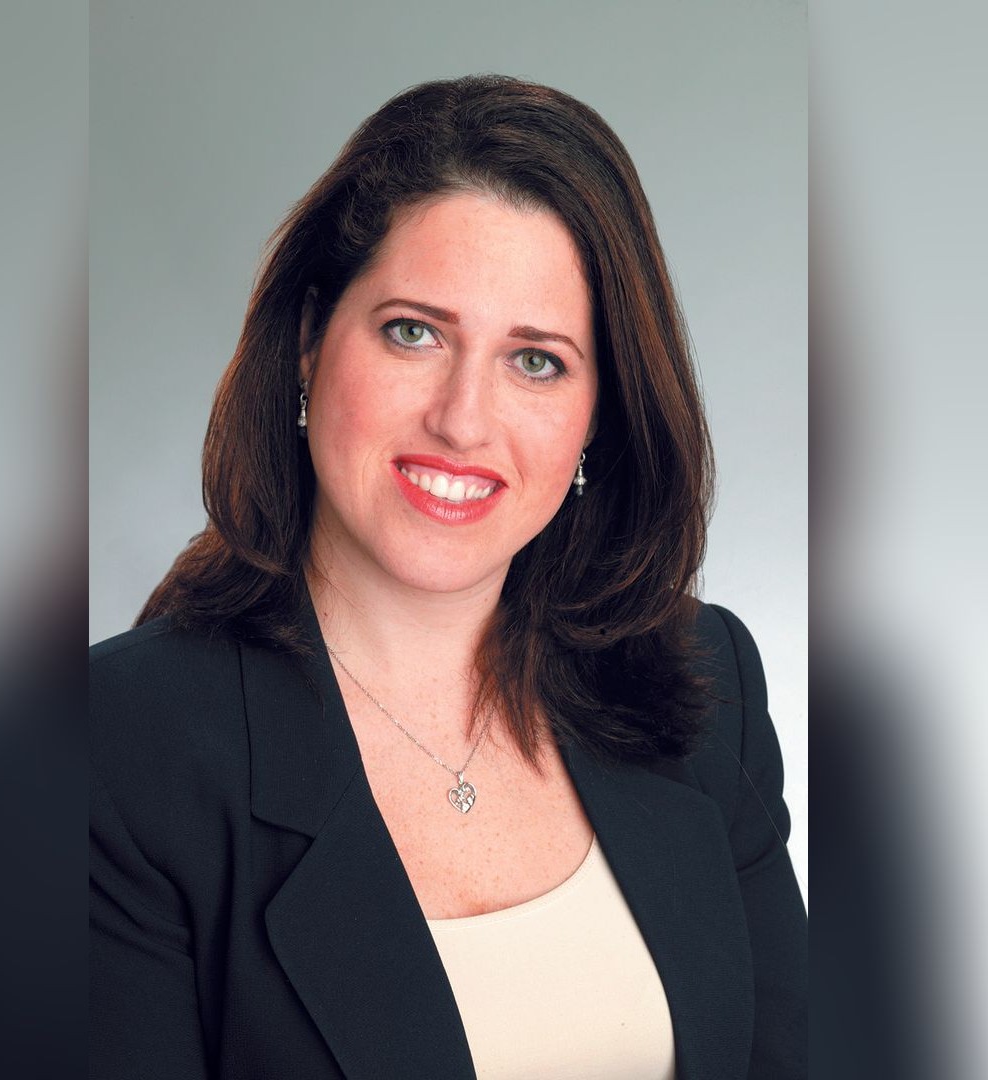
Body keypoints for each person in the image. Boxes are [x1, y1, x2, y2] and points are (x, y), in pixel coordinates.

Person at [90, 75, 807, 1079]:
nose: (464, 421)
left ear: (601, 412)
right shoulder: (121, 743)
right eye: (414, 331)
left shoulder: (703, 679)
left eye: (538, 361)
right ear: (308, 341)